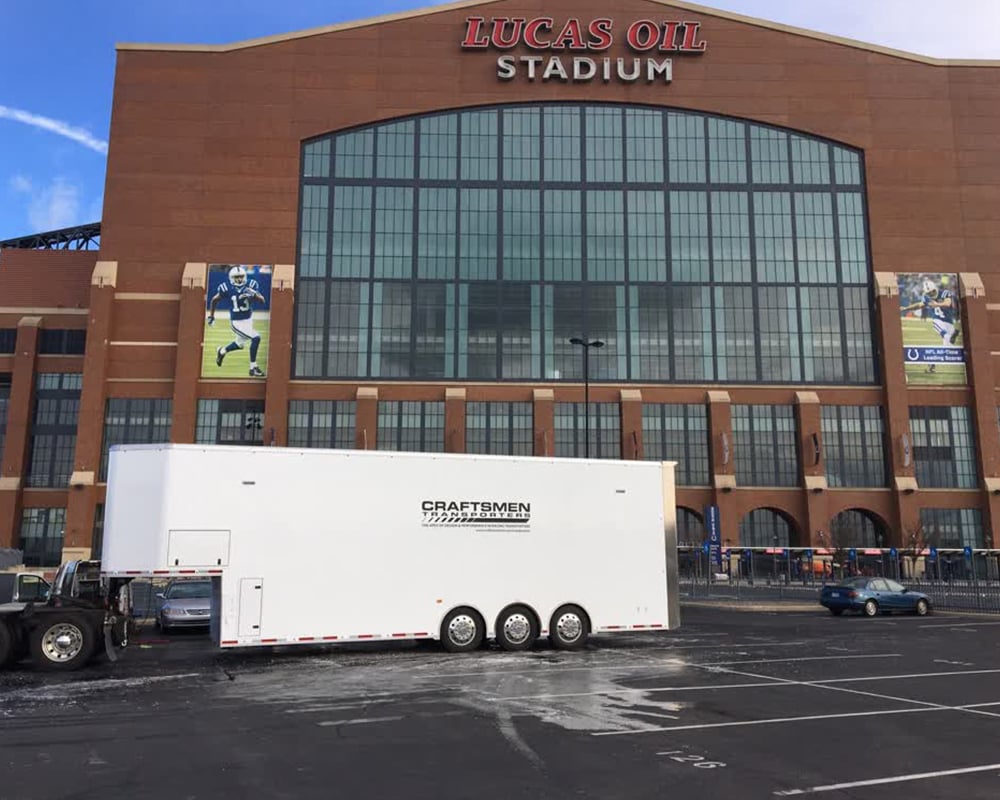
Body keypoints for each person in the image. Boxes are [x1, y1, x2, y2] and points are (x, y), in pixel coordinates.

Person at [207, 265, 266, 377]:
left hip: (249, 319)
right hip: (237, 322)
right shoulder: (226, 288)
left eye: (241, 277)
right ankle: (253, 368)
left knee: (239, 344)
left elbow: (262, 300)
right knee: (256, 338)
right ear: (231, 278)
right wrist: (211, 316)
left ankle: (222, 351)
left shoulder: (251, 285)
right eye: (236, 277)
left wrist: (253, 294)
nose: (239, 279)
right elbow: (215, 300)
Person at [900, 276, 960, 373]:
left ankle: (932, 363)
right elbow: (919, 305)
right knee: (936, 323)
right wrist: (906, 308)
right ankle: (950, 337)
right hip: (938, 321)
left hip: (949, 322)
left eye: (932, 292)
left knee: (947, 349)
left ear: (935, 289)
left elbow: (948, 303)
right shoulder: (926, 297)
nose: (931, 294)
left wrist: (937, 304)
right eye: (929, 293)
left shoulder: (944, 293)